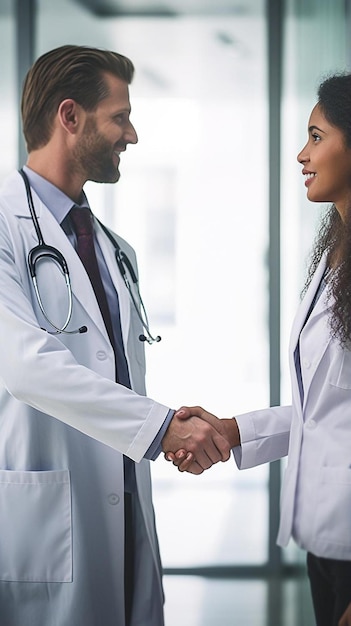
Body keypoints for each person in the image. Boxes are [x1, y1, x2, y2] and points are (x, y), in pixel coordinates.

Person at [0, 44, 231, 626]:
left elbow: (111, 371)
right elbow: (25, 365)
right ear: (70, 116)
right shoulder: (4, 224)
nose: (132, 135)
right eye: (120, 117)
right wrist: (160, 426)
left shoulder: (111, 249)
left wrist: (165, 424)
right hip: (47, 512)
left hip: (122, 502)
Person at [168, 72, 351, 626]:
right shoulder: (333, 257)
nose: (301, 153)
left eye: (317, 137)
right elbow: (325, 413)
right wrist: (230, 431)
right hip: (328, 540)